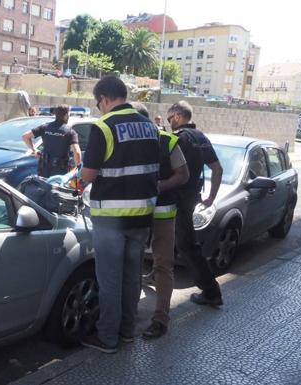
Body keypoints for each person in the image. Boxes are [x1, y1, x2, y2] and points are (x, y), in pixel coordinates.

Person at [80, 76, 160, 353]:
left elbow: (88, 175)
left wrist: (78, 179)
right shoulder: (151, 126)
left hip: (111, 220)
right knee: (131, 277)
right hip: (142, 217)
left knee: (110, 279)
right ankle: (127, 331)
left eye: (97, 103)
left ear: (104, 99)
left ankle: (107, 338)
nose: (99, 108)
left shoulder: (103, 127)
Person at [131, 103, 190, 339]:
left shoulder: (168, 141)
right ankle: (129, 313)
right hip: (134, 213)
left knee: (163, 265)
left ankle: (161, 318)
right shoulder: (129, 142)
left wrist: (160, 186)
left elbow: (183, 174)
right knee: (133, 262)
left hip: (162, 214)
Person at [167, 101, 224, 306]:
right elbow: (217, 169)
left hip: (177, 198)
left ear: (177, 116)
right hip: (191, 197)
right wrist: (211, 197)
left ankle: (211, 291)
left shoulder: (178, 138)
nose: (169, 122)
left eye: (169, 118)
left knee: (186, 244)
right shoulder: (201, 137)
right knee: (177, 241)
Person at [22, 105, 81, 178]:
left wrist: (34, 151)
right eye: (69, 114)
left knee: (43, 187)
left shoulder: (45, 127)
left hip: (43, 169)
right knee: (55, 189)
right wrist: (78, 168)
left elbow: (25, 136)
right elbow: (77, 152)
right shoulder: (70, 132)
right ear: (66, 115)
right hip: (60, 171)